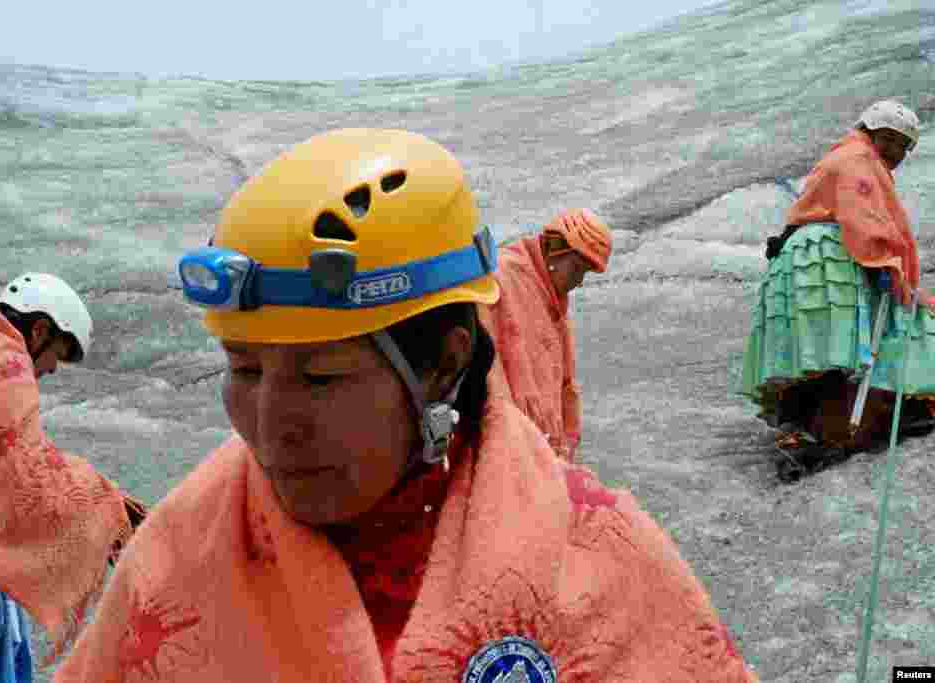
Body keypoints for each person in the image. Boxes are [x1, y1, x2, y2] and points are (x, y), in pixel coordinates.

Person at [53, 128, 756, 682]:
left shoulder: (601, 565)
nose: (268, 427)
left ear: (444, 365)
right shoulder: (179, 562)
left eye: (320, 377)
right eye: (244, 367)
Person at [0, 273, 146, 681]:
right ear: (38, 330)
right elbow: (25, 472)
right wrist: (109, 507)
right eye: (56, 353)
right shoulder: (6, 363)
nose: (51, 368)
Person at [743, 100, 935, 481]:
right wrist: (885, 263)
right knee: (840, 345)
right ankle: (834, 426)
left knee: (817, 345)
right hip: (828, 257)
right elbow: (860, 219)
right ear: (870, 131)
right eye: (889, 139)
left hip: (807, 257)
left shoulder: (845, 157)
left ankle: (808, 427)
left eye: (903, 146)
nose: (895, 152)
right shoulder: (857, 162)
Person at [479, 209, 612, 461]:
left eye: (584, 273)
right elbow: (488, 372)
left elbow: (565, 381)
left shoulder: (550, 295)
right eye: (577, 269)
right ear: (555, 250)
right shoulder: (502, 278)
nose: (578, 282)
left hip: (538, 445)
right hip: (508, 441)